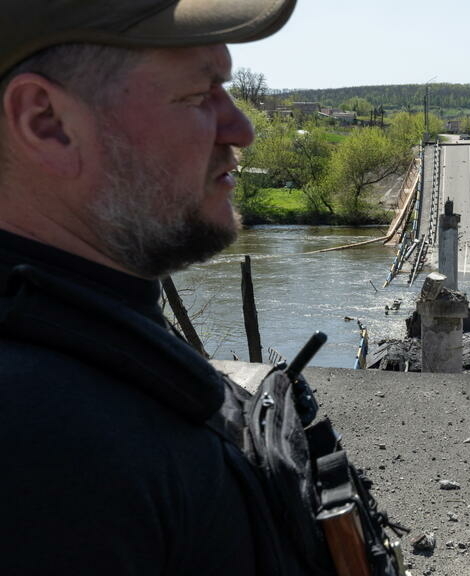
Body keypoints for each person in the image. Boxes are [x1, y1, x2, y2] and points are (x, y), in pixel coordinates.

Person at [0, 1, 322, 574]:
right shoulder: (44, 450)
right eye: (199, 96)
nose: (241, 130)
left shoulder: (84, 338)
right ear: (46, 122)